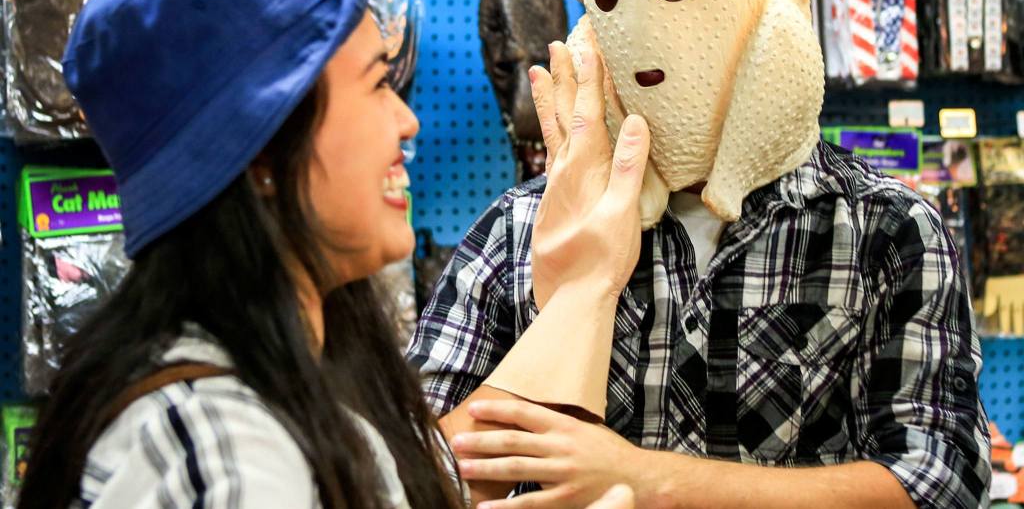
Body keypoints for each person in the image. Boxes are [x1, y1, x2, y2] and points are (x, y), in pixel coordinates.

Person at [15, 0, 635, 509]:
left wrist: (585, 285)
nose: (407, 120)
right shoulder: (227, 449)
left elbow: (437, 471)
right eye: (375, 84)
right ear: (259, 146)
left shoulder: (280, 385)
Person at [408, 40, 992, 508]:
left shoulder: (883, 225)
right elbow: (415, 476)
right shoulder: (523, 223)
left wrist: (646, 482)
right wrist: (575, 302)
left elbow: (938, 482)